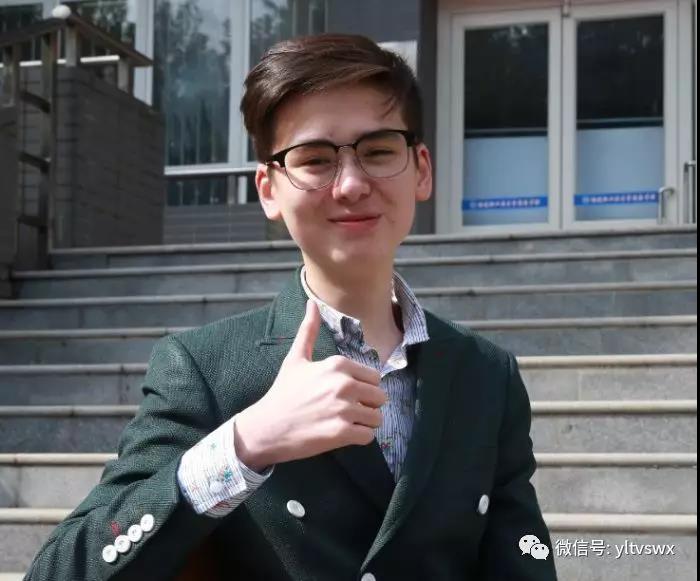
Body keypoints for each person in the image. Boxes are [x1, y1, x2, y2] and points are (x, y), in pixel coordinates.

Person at [25, 34, 557, 580]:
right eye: (315, 160)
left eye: (378, 151)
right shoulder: (205, 369)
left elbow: (526, 558)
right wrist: (246, 444)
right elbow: (62, 571)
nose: (351, 184)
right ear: (268, 189)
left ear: (421, 169)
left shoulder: (486, 374)